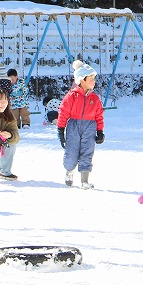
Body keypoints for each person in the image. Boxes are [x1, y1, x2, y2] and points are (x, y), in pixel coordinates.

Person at [57, 60, 105, 189]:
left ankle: (84, 180)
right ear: (82, 80)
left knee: (87, 152)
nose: (94, 81)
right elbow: (63, 112)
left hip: (90, 127)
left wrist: (100, 131)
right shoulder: (71, 96)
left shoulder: (95, 99)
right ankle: (69, 171)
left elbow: (99, 116)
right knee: (71, 151)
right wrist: (61, 130)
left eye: (94, 78)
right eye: (91, 78)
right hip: (73, 126)